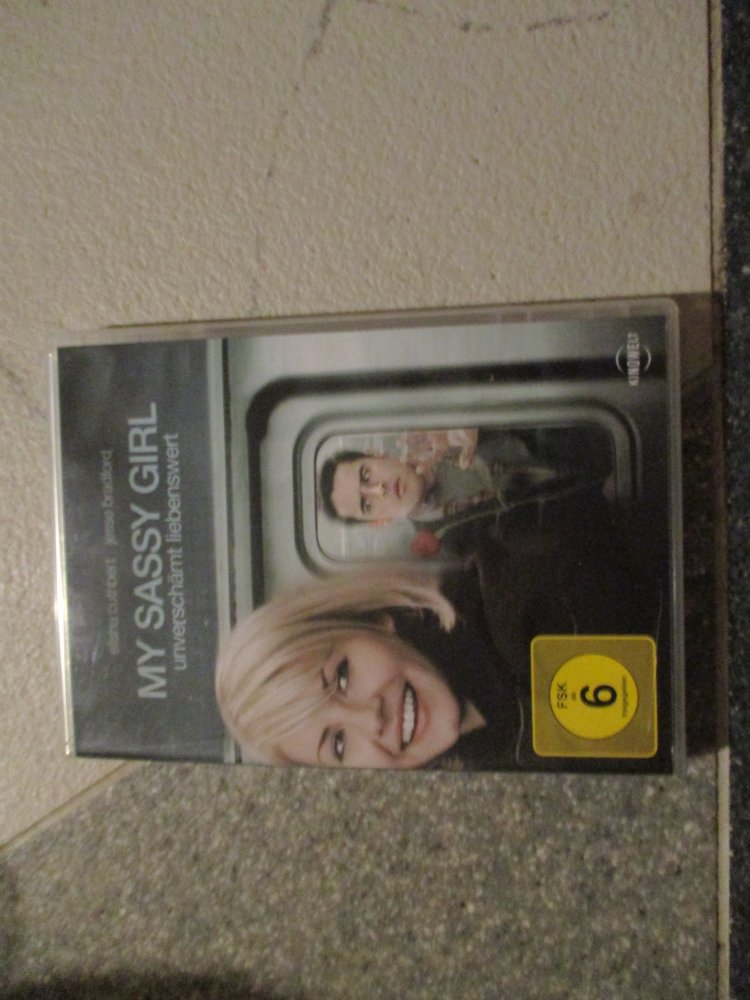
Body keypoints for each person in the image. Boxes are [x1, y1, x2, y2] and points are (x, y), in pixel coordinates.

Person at [216, 489, 661, 771]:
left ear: (373, 621)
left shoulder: (523, 589)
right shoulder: (478, 780)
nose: (370, 718)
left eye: (343, 676)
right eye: (336, 744)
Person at [318, 427, 596, 529]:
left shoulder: (434, 428)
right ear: (380, 521)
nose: (379, 489)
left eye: (366, 474)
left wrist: (471, 424)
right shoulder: (444, 540)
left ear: (377, 454)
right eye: (367, 504)